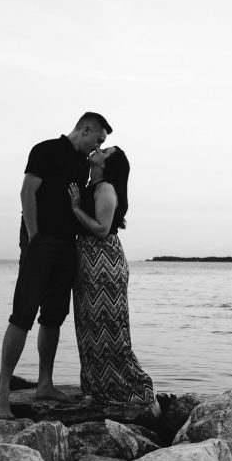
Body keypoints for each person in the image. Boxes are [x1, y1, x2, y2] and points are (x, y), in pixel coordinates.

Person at [0, 112, 112, 419]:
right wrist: (34, 237)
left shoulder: (83, 164)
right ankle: (2, 394)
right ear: (86, 128)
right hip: (40, 242)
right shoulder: (44, 150)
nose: (98, 145)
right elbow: (27, 192)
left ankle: (45, 383)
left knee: (54, 316)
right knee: (23, 314)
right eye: (98, 139)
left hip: (66, 245)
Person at [68, 145, 155, 403]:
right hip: (87, 258)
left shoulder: (105, 188)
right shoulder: (89, 185)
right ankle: (95, 387)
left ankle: (123, 386)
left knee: (106, 324)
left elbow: (102, 229)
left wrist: (75, 208)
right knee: (88, 323)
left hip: (103, 260)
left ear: (108, 164)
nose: (98, 149)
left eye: (104, 150)